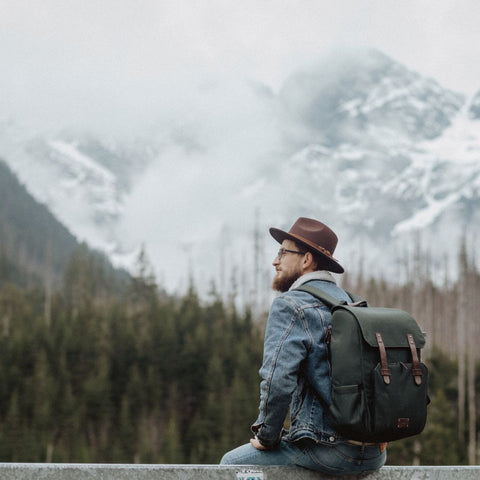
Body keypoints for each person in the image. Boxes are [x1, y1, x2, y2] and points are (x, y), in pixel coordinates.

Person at [220, 217, 386, 475]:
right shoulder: (354, 304)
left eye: (283, 252)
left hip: (328, 449)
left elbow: (277, 380)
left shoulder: (291, 305)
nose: (275, 261)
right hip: (375, 453)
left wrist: (267, 436)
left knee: (231, 466)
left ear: (306, 260)